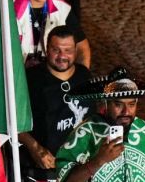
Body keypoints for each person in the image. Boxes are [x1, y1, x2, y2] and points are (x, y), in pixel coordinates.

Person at [20, 26, 92, 172]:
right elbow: (13, 121)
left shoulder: (84, 76)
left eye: (68, 50)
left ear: (75, 51)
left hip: (81, 165)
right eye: (56, 50)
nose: (62, 56)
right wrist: (35, 148)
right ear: (47, 49)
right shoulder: (31, 79)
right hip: (46, 167)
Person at [14, 0, 88, 67]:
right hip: (18, 73)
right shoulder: (11, 9)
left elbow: (82, 46)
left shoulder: (62, 9)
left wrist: (82, 75)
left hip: (51, 72)